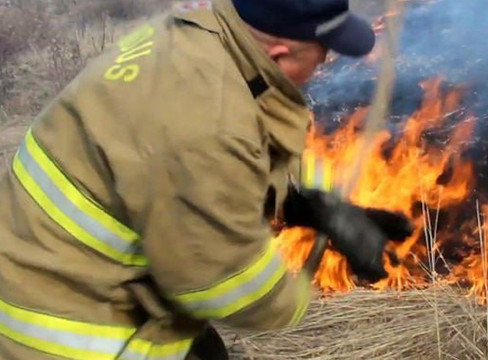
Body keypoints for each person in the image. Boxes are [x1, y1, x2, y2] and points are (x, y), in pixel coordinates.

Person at [0, 0, 413, 359]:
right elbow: (225, 283)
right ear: (281, 54)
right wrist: (300, 298)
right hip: (65, 328)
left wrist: (310, 203)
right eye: (322, 53)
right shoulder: (204, 123)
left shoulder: (207, 32)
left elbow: (248, 138)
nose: (325, 63)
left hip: (40, 256)